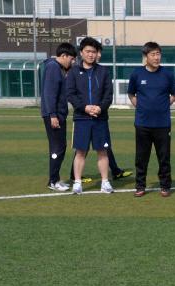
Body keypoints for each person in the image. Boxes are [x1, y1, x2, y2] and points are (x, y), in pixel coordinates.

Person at [128, 42, 175, 198]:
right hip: (142, 123)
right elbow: (131, 94)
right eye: (153, 54)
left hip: (162, 124)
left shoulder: (167, 74)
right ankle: (140, 185)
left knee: (164, 156)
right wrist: (142, 107)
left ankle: (165, 185)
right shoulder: (137, 74)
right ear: (145, 56)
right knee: (141, 157)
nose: (157, 57)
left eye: (158, 54)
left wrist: (164, 105)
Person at [65, 37, 114, 195]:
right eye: (88, 51)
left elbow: (108, 95)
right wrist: (85, 107)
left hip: (100, 118)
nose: (91, 54)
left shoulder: (103, 71)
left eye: (94, 51)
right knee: (80, 151)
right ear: (81, 53)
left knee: (102, 151)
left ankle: (105, 182)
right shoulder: (73, 72)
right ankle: (77, 183)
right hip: (82, 118)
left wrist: (100, 108)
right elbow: (70, 94)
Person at [41, 42, 76, 192]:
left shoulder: (56, 68)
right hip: (54, 115)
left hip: (57, 114)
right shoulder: (53, 67)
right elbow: (50, 93)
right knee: (58, 148)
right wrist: (52, 115)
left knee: (59, 147)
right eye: (72, 59)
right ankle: (53, 181)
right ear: (64, 56)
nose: (73, 62)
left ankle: (55, 179)